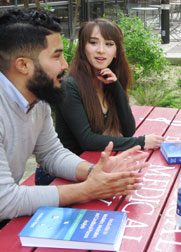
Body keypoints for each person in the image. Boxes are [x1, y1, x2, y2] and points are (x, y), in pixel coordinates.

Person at [0, 9, 148, 223]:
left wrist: (94, 171)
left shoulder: (38, 98)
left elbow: (52, 153)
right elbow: (5, 201)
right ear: (23, 65)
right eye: (56, 56)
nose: (65, 65)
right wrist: (88, 190)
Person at [34, 18, 164, 185]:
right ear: (83, 49)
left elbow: (128, 130)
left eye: (109, 44)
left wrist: (117, 88)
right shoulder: (69, 85)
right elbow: (87, 140)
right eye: (93, 43)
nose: (101, 50)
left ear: (117, 51)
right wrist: (141, 142)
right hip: (59, 175)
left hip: (90, 170)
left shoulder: (107, 80)